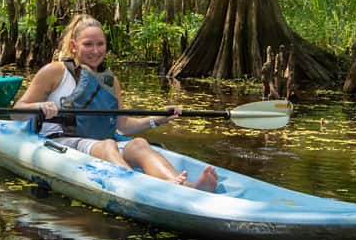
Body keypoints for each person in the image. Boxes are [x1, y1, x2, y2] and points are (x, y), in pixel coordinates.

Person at [14, 14, 218, 191]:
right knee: (108, 144)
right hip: (61, 141)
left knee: (139, 144)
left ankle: (184, 185)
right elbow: (17, 112)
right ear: (73, 46)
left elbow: (123, 126)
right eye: (88, 44)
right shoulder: (55, 71)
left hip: (98, 142)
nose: (95, 50)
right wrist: (38, 107)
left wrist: (158, 119)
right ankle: (140, 187)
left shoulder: (110, 82)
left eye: (100, 44)